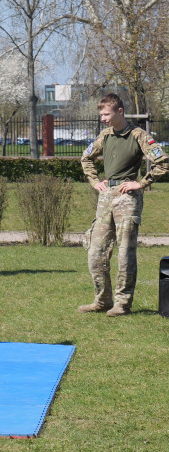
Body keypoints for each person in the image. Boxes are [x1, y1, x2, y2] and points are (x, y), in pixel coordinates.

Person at [79, 94, 168, 316]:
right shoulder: (105, 135)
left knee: (125, 253)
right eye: (101, 115)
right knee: (95, 251)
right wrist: (94, 181)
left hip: (127, 199)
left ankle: (122, 304)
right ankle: (102, 300)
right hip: (106, 197)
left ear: (120, 111)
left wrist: (141, 183)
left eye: (106, 114)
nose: (103, 119)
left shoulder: (139, 136)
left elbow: (163, 163)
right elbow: (86, 158)